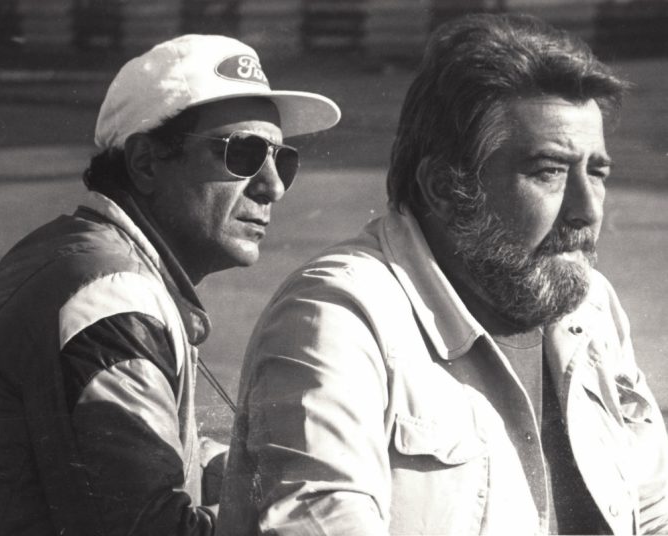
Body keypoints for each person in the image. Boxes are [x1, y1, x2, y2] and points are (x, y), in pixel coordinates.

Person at [218, 14, 668, 535]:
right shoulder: (336, 319)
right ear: (443, 186)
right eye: (548, 172)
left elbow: (653, 508)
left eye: (597, 172)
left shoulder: (589, 304)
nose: (587, 211)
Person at [0, 34, 340, 535]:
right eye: (244, 154)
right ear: (145, 163)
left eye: (283, 160)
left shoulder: (87, 256)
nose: (273, 187)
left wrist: (247, 475)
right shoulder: (110, 301)